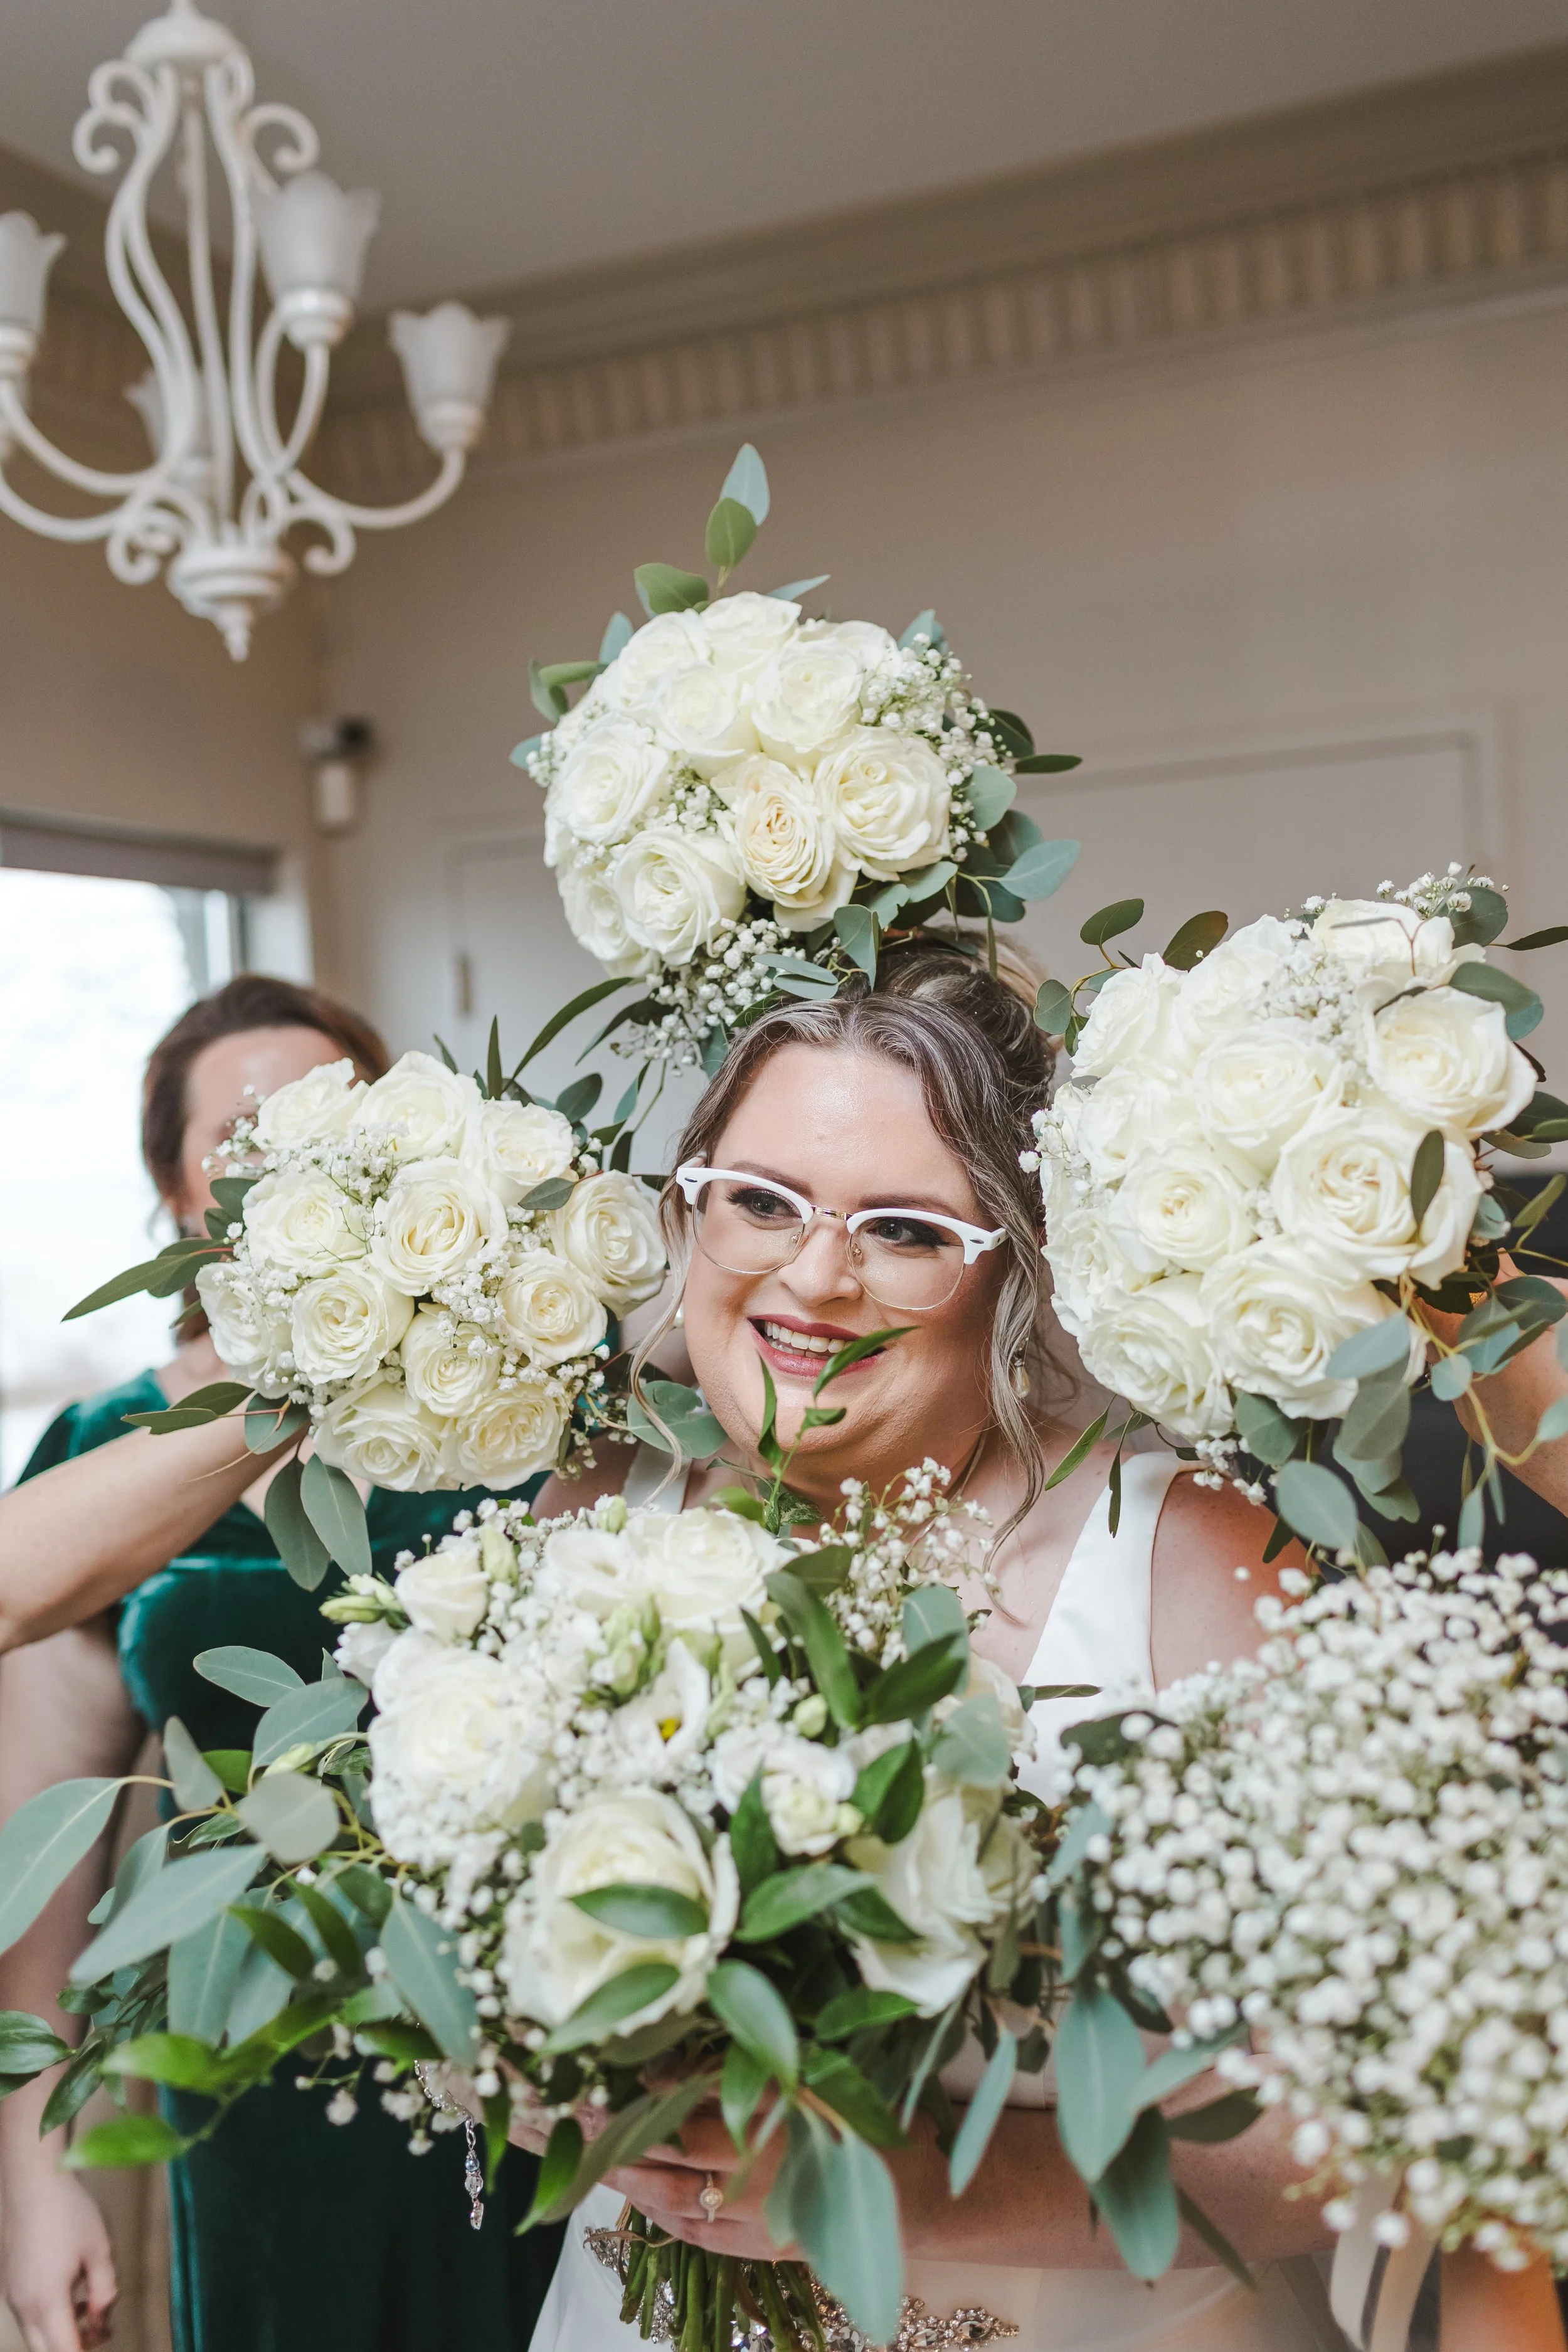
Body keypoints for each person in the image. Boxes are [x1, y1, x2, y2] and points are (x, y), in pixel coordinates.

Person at [517, 939, 1359, 2352]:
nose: (814, 1275)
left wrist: (912, 2190)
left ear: (1016, 1264)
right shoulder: (587, 1513)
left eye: (905, 1230)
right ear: (688, 1211)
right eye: (759, 1201)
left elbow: (1362, 2121)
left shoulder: (1192, 1559)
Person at [0, 976, 563, 2352]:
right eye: (243, 1138)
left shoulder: (531, 1408)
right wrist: (31, 2171)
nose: (295, 1157)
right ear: (174, 1190)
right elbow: (41, 1849)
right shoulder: (100, 1456)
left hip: (538, 2047)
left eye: (333, 1120)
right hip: (250, 2064)